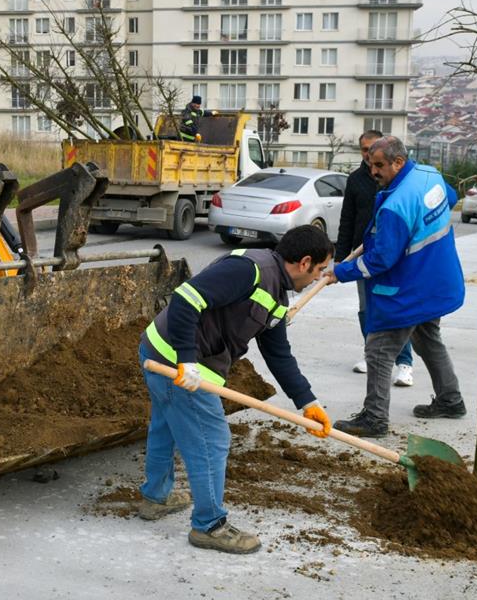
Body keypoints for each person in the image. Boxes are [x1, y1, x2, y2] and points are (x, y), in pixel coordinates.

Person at [137, 225, 334, 554]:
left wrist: (307, 401)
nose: (318, 278)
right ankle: (209, 526)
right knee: (211, 439)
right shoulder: (250, 270)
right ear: (304, 262)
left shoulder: (276, 294)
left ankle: (156, 498)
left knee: (165, 427)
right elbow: (187, 298)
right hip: (176, 361)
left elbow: (278, 354)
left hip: (163, 352)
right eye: (319, 270)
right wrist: (187, 361)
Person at [325, 136, 467, 437]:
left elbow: (379, 261)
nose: (373, 171)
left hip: (412, 287)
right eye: (369, 165)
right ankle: (450, 400)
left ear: (398, 162)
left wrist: (341, 271)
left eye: (379, 166)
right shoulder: (429, 175)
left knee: (378, 349)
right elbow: (449, 199)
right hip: (438, 280)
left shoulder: (396, 205)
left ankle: (374, 418)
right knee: (428, 339)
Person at [335, 129, 416, 387]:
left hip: (394, 256)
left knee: (395, 309)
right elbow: (347, 219)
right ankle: (372, 355)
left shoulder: (398, 180)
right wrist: (341, 259)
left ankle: (404, 364)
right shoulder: (357, 179)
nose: (370, 158)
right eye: (364, 150)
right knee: (366, 309)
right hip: (364, 255)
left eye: (374, 152)